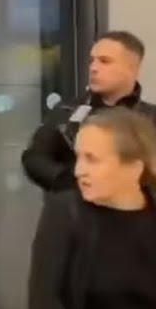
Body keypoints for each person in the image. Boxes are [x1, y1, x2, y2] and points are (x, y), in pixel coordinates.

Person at [27, 107, 156, 309]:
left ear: (134, 169)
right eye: (78, 157)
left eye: (92, 159)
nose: (78, 171)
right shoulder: (65, 213)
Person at [22, 31, 156, 192]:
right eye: (92, 61)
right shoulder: (66, 111)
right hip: (72, 212)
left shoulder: (151, 119)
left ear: (133, 68)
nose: (93, 68)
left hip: (136, 213)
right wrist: (72, 183)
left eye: (104, 61)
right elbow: (34, 158)